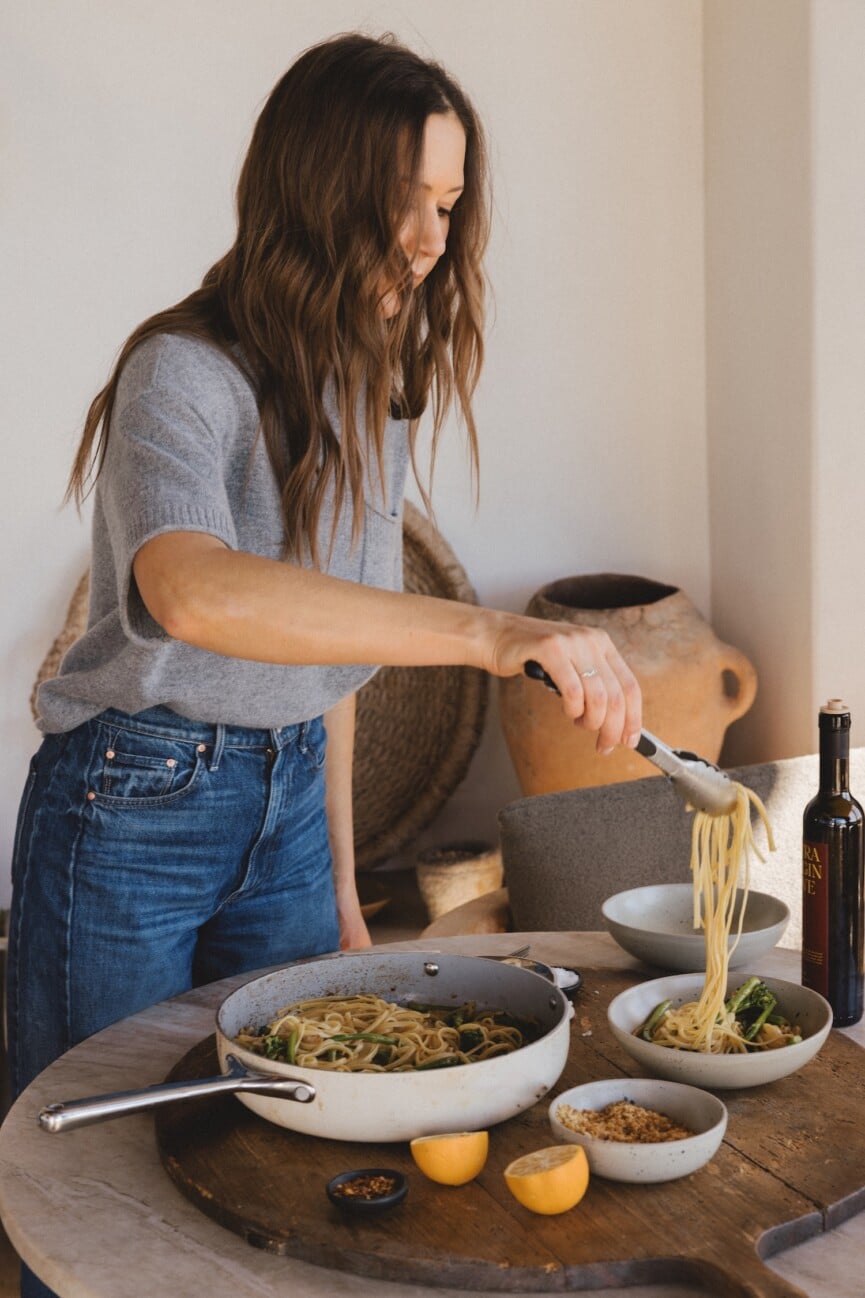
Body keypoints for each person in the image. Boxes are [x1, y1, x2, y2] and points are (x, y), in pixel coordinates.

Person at [9, 34, 642, 1290]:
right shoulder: (177, 373)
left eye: (448, 205)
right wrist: (488, 634)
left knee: (287, 1146)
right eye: (402, 199)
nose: (428, 237)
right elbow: (190, 590)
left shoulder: (364, 391)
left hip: (292, 804)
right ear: (312, 191)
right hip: (133, 805)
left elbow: (333, 645)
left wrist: (343, 882)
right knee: (87, 1166)